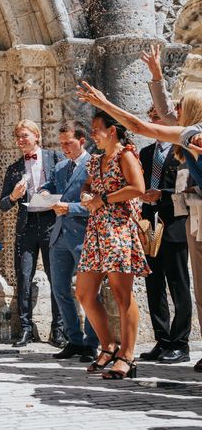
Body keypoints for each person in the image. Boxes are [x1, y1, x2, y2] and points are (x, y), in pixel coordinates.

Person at [77, 80, 202, 373]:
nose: (174, 111)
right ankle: (115, 346)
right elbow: (145, 124)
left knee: (162, 287)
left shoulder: (192, 136)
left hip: (126, 227)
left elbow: (138, 127)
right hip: (108, 228)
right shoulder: (189, 135)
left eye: (181, 107)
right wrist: (156, 75)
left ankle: (132, 353)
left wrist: (104, 104)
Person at [75, 111, 149, 379]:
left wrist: (103, 199)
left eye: (96, 129)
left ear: (113, 130)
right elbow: (87, 185)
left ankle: (127, 356)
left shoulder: (125, 155)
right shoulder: (95, 162)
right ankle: (108, 345)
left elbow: (138, 188)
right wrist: (86, 195)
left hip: (118, 228)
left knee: (122, 295)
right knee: (84, 292)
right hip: (95, 230)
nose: (93, 134)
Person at [0, 119, 65, 348]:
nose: (21, 141)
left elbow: (68, 185)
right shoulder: (14, 168)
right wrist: (15, 196)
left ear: (36, 136)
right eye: (18, 137)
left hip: (50, 222)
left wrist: (53, 197)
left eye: (25, 136)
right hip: (27, 226)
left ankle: (59, 329)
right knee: (24, 277)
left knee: (55, 275)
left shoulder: (54, 158)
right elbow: (4, 204)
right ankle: (26, 329)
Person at [39, 120, 99, 361]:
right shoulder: (61, 166)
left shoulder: (94, 164)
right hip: (59, 236)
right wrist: (43, 193)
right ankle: (73, 339)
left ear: (82, 140)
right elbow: (49, 186)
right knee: (60, 289)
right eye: (61, 143)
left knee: (91, 292)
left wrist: (70, 207)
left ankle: (92, 343)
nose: (63, 147)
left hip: (84, 236)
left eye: (68, 143)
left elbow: (98, 202)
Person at [137, 106, 192, 364]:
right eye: (152, 118)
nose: (153, 122)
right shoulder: (146, 153)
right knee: (154, 283)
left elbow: (187, 187)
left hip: (175, 223)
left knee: (179, 285)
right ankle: (162, 339)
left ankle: (181, 343)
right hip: (150, 223)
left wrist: (163, 193)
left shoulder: (182, 151)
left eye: (157, 117)